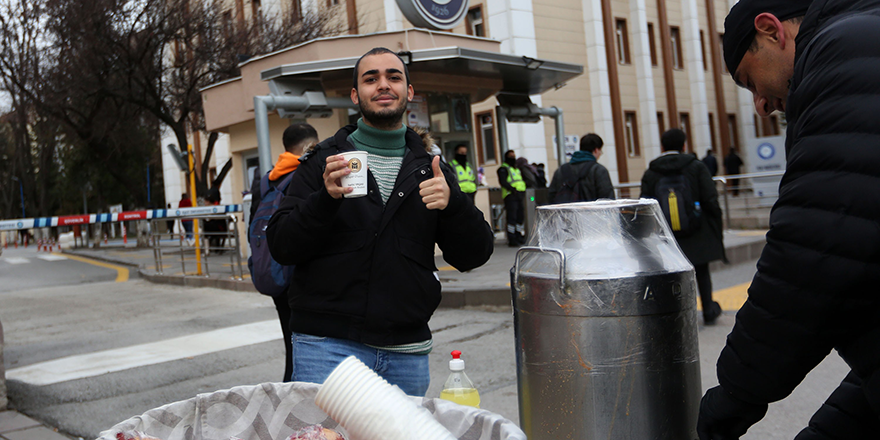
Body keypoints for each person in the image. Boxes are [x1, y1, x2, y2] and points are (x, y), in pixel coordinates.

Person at [697, 0, 880, 438]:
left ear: (770, 30)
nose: (760, 104)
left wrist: (735, 396)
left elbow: (816, 249)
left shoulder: (844, 48)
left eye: (749, 81)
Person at [266, 47, 494, 396]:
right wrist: (324, 199)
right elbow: (282, 245)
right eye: (371, 79)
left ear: (409, 91)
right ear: (356, 95)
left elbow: (473, 255)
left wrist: (453, 206)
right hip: (327, 348)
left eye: (394, 76)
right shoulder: (324, 161)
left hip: (407, 353)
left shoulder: (431, 167)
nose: (383, 85)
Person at [248, 122, 318, 383]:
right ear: (310, 146)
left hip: (274, 270)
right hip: (301, 274)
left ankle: (288, 394)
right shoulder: (307, 174)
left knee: (291, 344)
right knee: (306, 350)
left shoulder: (266, 179)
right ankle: (294, 401)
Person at [640, 129, 724, 324]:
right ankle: (709, 309)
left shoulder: (651, 172)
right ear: (684, 145)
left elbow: (645, 204)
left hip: (666, 235)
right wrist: (715, 224)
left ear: (662, 147)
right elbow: (710, 198)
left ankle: (676, 315)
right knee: (701, 271)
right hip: (696, 230)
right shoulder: (696, 167)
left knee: (673, 274)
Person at [548, 133, 614, 203]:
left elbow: (551, 196)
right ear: (596, 150)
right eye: (600, 151)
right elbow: (607, 200)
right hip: (591, 213)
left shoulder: (561, 170)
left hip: (565, 213)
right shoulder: (598, 170)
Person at [497, 149, 526, 246]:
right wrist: (513, 190)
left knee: (520, 217)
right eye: (511, 156)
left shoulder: (516, 169)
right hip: (510, 195)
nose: (513, 158)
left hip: (519, 195)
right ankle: (512, 238)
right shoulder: (503, 169)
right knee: (512, 218)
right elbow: (503, 182)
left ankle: (518, 235)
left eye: (514, 156)